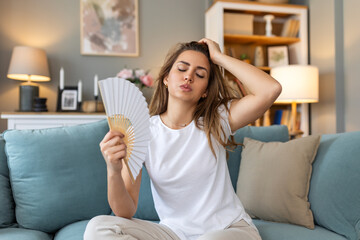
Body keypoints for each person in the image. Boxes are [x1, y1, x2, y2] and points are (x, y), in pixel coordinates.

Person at [84, 38, 282, 240]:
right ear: (166, 78)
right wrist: (113, 171)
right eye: (181, 69)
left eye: (200, 74)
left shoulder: (218, 119)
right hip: (174, 234)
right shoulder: (142, 132)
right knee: (98, 227)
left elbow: (270, 90)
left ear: (205, 91)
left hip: (228, 230)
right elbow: (125, 211)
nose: (188, 77)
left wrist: (219, 58)